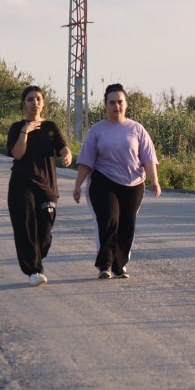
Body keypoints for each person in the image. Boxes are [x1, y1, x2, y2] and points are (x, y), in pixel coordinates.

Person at [73, 82, 161, 279]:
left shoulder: (137, 129)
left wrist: (154, 181)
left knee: (127, 224)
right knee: (109, 220)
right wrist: (78, 185)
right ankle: (105, 265)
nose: (116, 106)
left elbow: (148, 158)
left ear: (126, 104)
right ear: (105, 105)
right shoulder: (97, 130)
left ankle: (119, 266)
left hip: (133, 184)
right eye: (112, 102)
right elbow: (86, 160)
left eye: (120, 102)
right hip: (104, 181)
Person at [7, 85, 72, 286]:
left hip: (47, 186)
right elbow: (17, 154)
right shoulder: (16, 127)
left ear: (43, 103)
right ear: (23, 104)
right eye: (30, 99)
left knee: (45, 231)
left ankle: (35, 257)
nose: (34, 103)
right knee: (25, 227)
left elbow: (63, 148)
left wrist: (67, 155)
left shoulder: (50, 127)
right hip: (21, 183)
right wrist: (25, 132)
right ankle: (34, 271)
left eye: (38, 99)